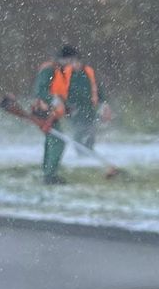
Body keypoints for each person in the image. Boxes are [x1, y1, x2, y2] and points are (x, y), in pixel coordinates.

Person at [31, 45, 111, 184]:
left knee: (53, 141)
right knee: (57, 141)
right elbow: (40, 91)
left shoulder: (60, 70)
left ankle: (49, 174)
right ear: (65, 59)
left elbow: (60, 93)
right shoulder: (49, 69)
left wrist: (66, 107)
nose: (72, 64)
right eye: (71, 60)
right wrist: (54, 101)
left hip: (54, 113)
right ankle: (50, 176)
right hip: (44, 111)